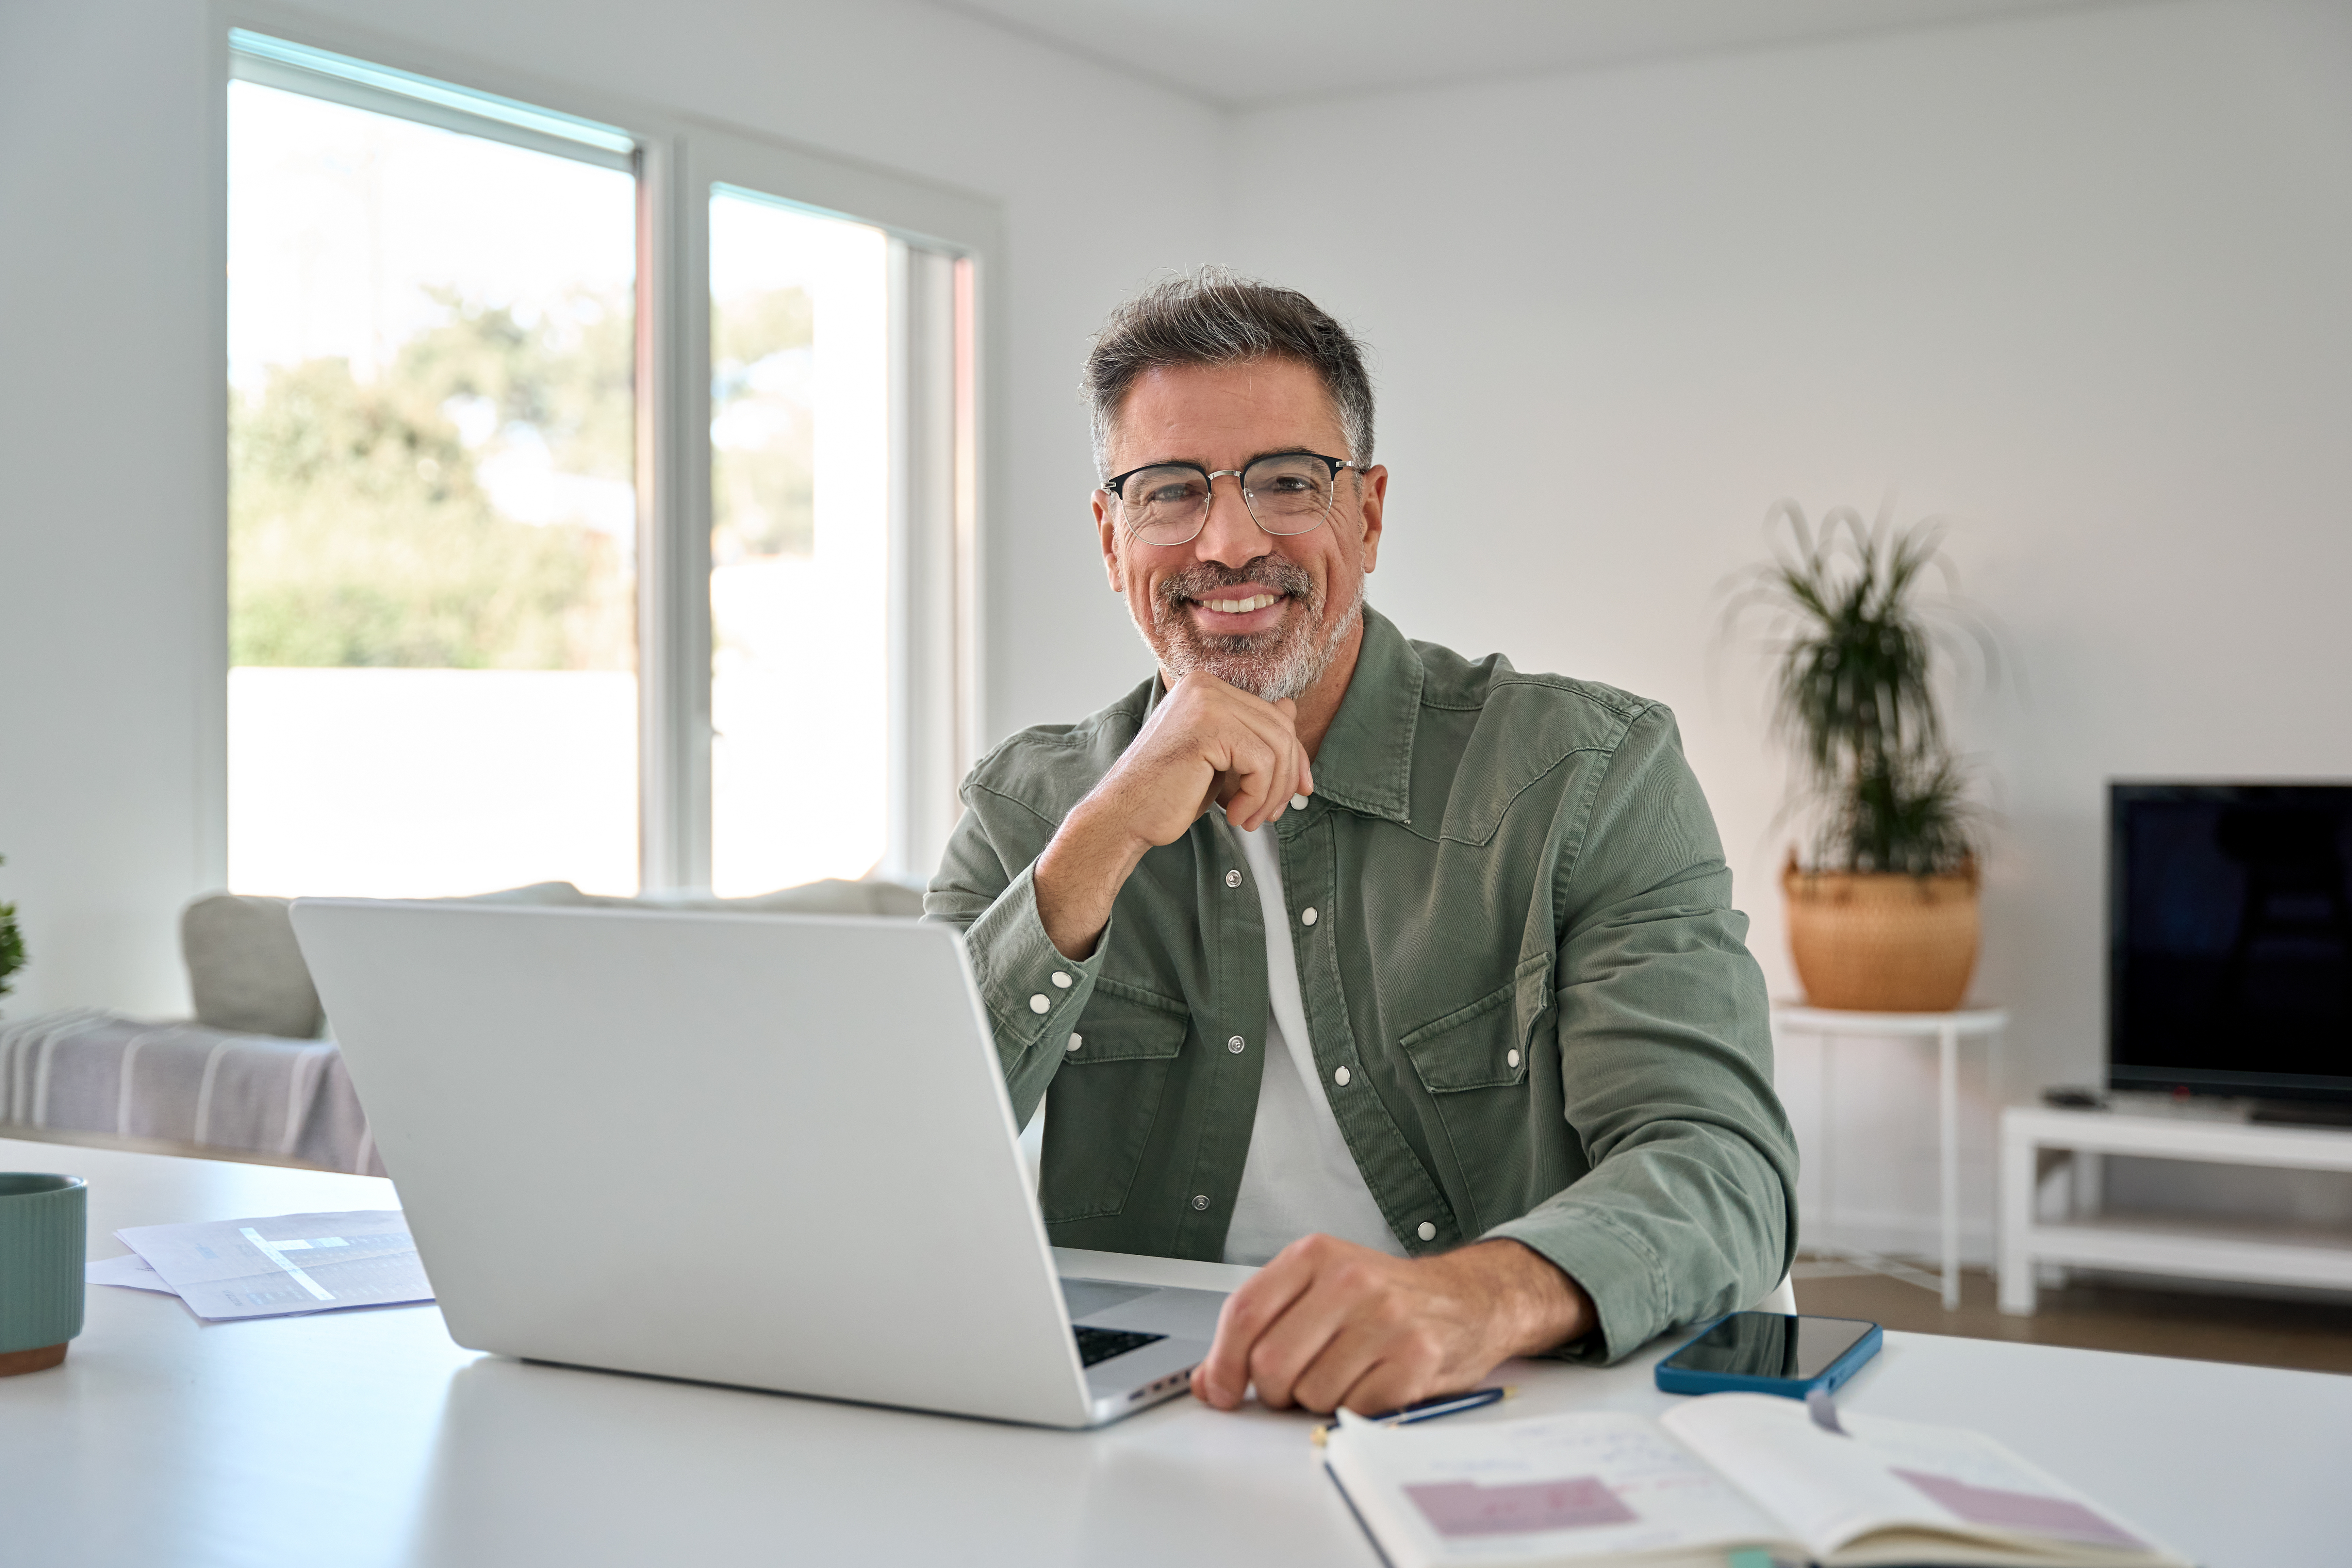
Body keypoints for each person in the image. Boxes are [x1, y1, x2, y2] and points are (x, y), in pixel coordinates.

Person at [925, 268, 1797, 1418]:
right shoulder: (1028, 809)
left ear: (1369, 514)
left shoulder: (1590, 769)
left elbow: (1721, 1165)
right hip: (1161, 1423)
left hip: (1512, 1404)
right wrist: (1100, 840)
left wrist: (1467, 1299)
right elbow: (889, 1166)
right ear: (1110, 532)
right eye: (1170, 491)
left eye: (1288, 482)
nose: (1228, 542)